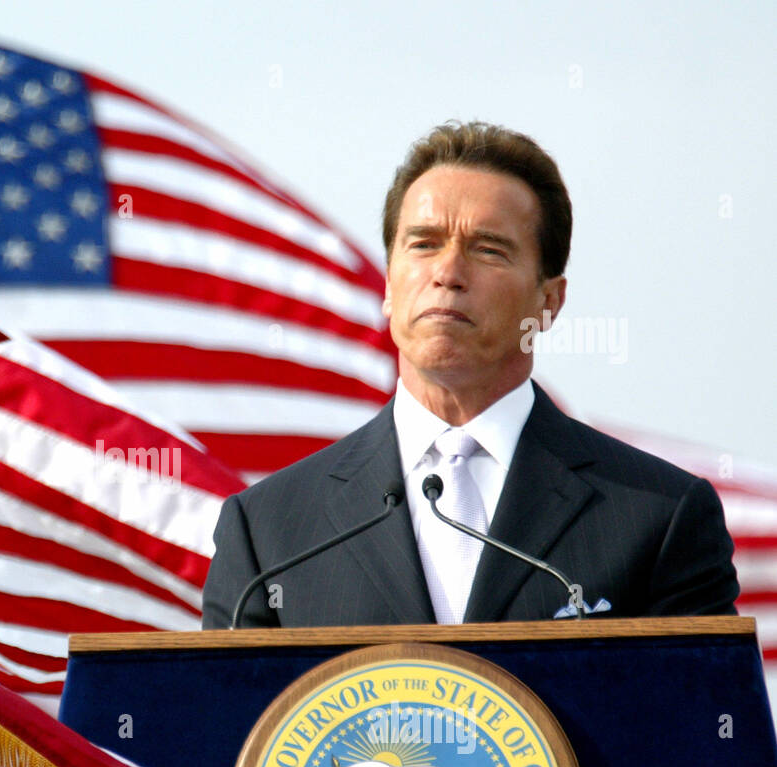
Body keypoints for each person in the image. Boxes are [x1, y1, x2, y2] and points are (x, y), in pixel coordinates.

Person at [202, 121, 739, 629]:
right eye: (424, 243)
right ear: (389, 284)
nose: (448, 273)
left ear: (548, 301)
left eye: (488, 250)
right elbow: (230, 725)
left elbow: (703, 724)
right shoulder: (270, 532)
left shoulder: (659, 516)